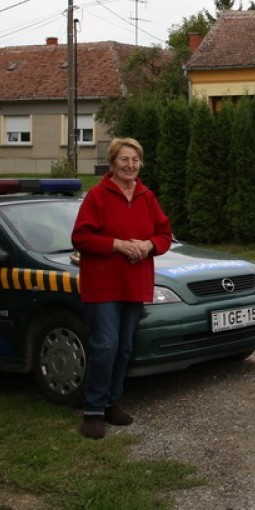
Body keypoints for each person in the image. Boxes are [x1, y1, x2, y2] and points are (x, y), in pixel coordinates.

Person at [72, 137, 173, 439]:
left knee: (125, 347)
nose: (130, 165)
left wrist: (148, 245)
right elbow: (81, 238)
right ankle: (92, 410)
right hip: (102, 284)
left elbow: (165, 234)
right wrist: (116, 245)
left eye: (135, 160)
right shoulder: (98, 196)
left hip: (135, 282)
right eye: (124, 160)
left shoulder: (146, 196)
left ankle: (111, 403)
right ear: (113, 163)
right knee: (106, 346)